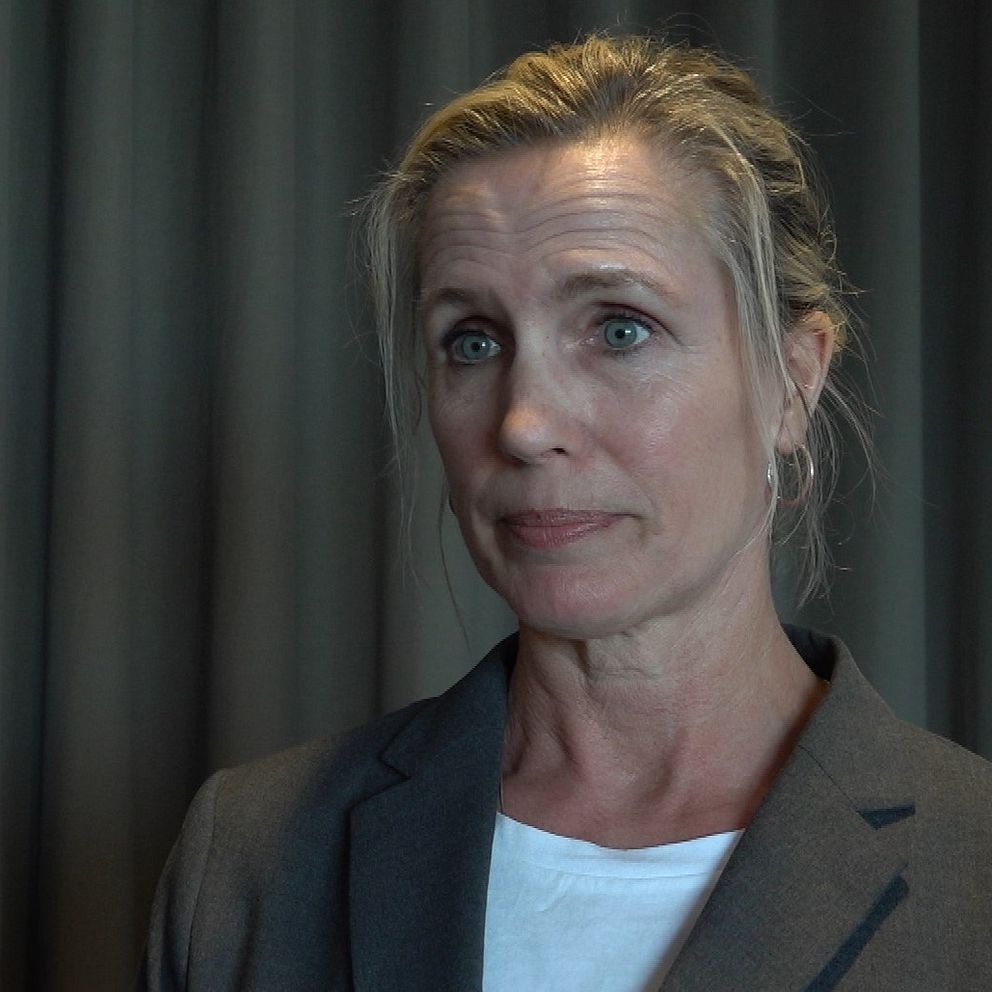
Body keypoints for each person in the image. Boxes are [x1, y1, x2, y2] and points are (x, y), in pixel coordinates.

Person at [137, 35, 992, 991]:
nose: (523, 422)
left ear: (792, 382)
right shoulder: (250, 859)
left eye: (620, 329)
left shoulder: (974, 873)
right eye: (471, 341)